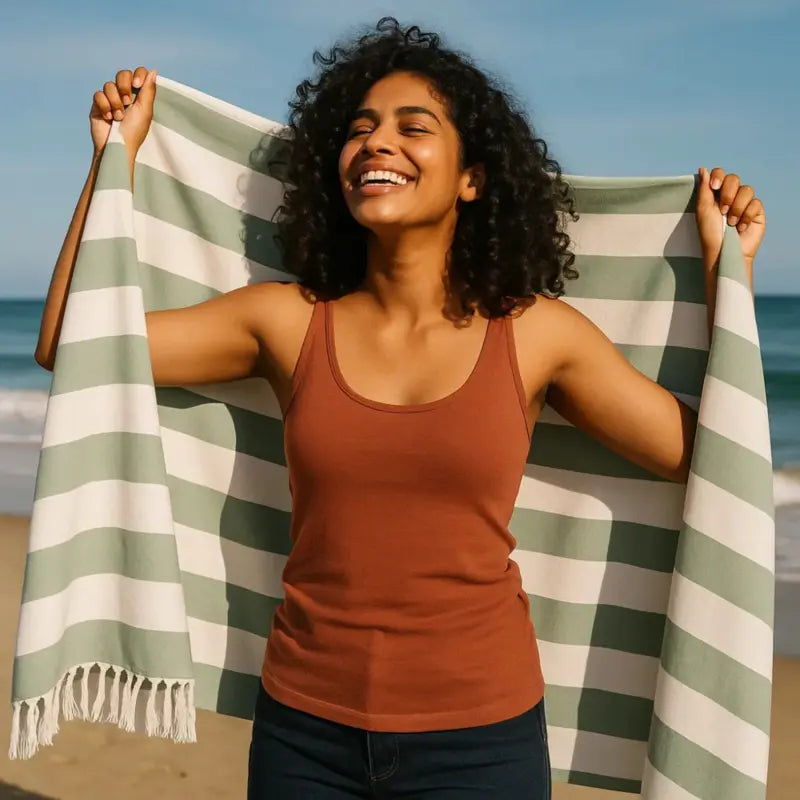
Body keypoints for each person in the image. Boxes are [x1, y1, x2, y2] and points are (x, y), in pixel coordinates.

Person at [35, 17, 765, 800]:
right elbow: (73, 346)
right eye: (360, 131)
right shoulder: (285, 321)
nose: (377, 143)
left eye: (414, 128)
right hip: (303, 730)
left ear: (471, 179)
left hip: (483, 740)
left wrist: (730, 277)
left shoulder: (537, 333)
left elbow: (712, 457)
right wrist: (114, 160)